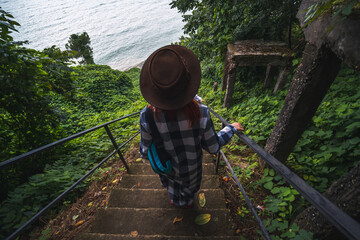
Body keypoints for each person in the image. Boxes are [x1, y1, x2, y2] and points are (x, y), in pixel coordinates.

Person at [139, 45, 244, 207]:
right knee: (189, 193)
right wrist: (231, 128)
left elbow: (145, 152)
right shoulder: (201, 112)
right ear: (187, 84)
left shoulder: (146, 116)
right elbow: (213, 146)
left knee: (172, 188)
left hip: (166, 169)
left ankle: (175, 200)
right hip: (191, 171)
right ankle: (186, 203)